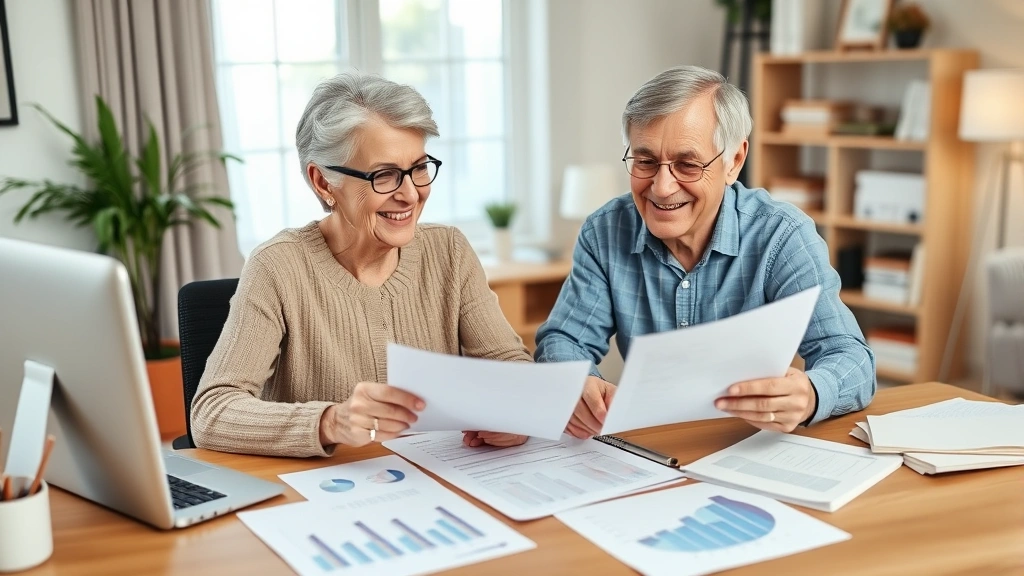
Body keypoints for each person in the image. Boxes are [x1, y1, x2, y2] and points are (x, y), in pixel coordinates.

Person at [191, 72, 530, 457]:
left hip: (442, 483)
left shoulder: (449, 250)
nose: (410, 194)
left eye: (419, 168)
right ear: (323, 183)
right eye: (384, 175)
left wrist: (516, 414)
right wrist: (331, 421)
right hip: (332, 493)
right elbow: (212, 412)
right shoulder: (278, 266)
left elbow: (510, 366)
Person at [535, 65, 875, 439]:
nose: (662, 188)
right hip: (651, 445)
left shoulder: (782, 236)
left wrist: (810, 394)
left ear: (734, 162)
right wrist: (578, 383)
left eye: (688, 164)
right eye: (645, 161)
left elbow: (851, 358)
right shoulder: (605, 231)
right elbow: (563, 340)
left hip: (748, 444)